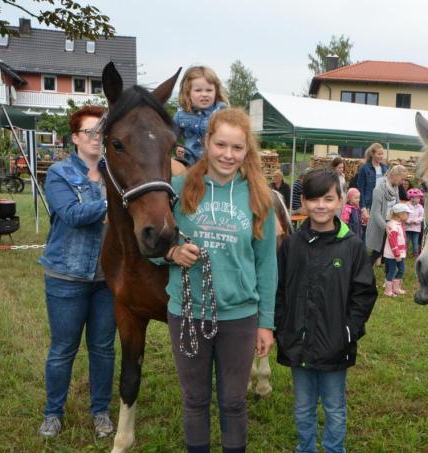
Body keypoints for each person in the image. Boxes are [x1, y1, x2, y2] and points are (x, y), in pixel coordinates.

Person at [152, 108, 277, 453]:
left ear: (247, 151)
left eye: (237, 148)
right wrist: (172, 253)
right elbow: (148, 242)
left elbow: (267, 265)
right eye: (220, 144)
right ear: (207, 142)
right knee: (194, 400)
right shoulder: (177, 188)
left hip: (238, 316)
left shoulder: (258, 197)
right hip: (188, 313)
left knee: (233, 402)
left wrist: (265, 322)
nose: (227, 154)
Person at [275, 167, 377, 453]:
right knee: (303, 406)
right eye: (314, 198)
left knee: (334, 407)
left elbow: (364, 293)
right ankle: (305, 448)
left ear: (341, 201)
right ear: (303, 201)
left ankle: (334, 449)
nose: (321, 205)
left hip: (335, 345)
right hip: (298, 344)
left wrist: (349, 330)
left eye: (328, 199)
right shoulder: (291, 245)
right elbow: (279, 289)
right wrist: (282, 327)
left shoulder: (353, 247)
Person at [37, 105, 116, 438]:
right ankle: (53, 413)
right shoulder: (59, 174)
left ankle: (100, 412)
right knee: (63, 349)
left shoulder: (116, 172)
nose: (97, 139)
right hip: (66, 277)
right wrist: (112, 204)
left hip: (107, 280)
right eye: (90, 132)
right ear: (74, 138)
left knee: (103, 349)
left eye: (102, 132)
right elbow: (71, 214)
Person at [173, 65, 229, 166]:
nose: (204, 94)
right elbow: (170, 139)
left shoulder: (221, 111)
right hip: (188, 163)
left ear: (216, 92)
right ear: (188, 93)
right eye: (198, 90)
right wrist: (178, 147)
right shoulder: (180, 116)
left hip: (215, 163)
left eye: (209, 90)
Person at [365, 165, 407, 267]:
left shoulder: (395, 187)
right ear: (396, 175)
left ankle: (389, 275)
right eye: (402, 179)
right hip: (381, 224)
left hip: (391, 222)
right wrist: (385, 227)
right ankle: (365, 269)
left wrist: (401, 216)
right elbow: (375, 213)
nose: (403, 182)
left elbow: (396, 205)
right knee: (378, 250)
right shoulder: (379, 190)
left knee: (387, 250)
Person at [356, 143, 388, 220]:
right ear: (372, 154)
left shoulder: (385, 168)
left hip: (382, 203)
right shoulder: (364, 168)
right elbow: (361, 189)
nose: (381, 156)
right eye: (379, 154)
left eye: (382, 154)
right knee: (367, 229)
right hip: (369, 204)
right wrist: (363, 208)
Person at [383, 203, 410, 297]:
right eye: (407, 213)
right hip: (393, 254)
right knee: (392, 271)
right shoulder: (393, 226)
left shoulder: (399, 224)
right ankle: (388, 290)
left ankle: (396, 288)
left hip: (400, 254)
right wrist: (397, 254)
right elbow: (393, 242)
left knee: (401, 270)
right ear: (400, 214)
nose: (408, 215)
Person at [404, 188, 424, 258]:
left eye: (419, 198)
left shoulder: (420, 207)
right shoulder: (406, 205)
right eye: (417, 198)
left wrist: (416, 221)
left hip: (416, 228)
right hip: (407, 228)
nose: (419, 199)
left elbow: (422, 217)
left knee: (415, 242)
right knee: (406, 241)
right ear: (412, 198)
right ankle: (404, 254)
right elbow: (404, 215)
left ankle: (416, 255)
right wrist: (408, 221)